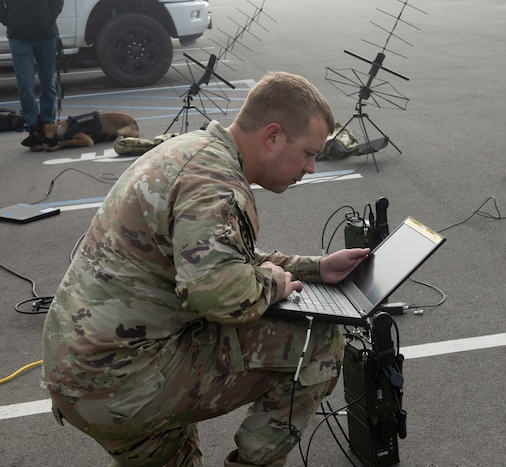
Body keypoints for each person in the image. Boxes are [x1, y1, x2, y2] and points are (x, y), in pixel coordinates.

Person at [42, 71, 370, 467]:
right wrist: (274, 283)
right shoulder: (214, 183)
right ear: (273, 136)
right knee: (316, 339)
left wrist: (314, 268)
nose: (312, 168)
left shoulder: (194, 151)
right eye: (309, 153)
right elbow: (222, 296)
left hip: (82, 373)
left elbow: (217, 255)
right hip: (124, 383)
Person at [0, 0, 63, 148]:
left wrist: (48, 18)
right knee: (25, 85)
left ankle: (48, 126)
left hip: (46, 35)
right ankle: (34, 128)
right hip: (19, 37)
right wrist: (9, 20)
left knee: (47, 82)